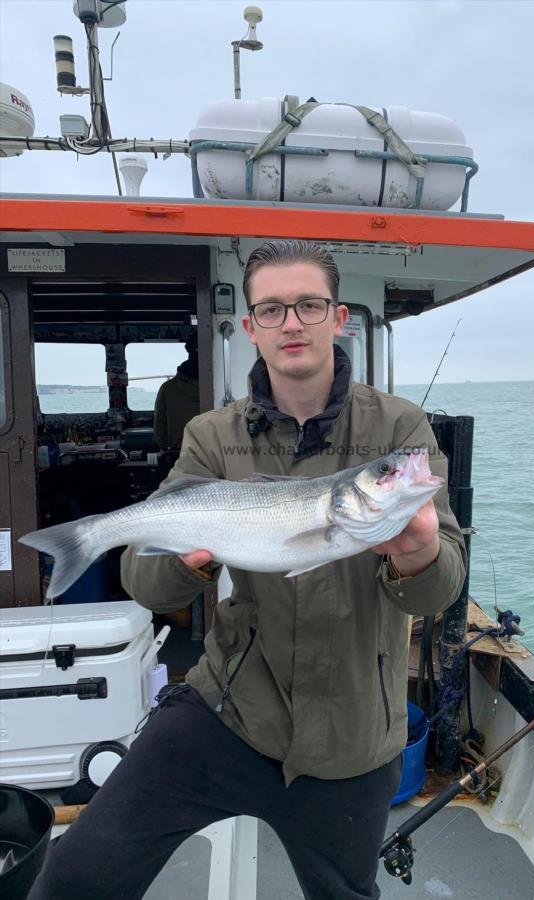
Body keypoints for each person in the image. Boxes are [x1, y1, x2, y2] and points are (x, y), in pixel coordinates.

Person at [28, 240, 467, 900]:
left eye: (308, 305)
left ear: (338, 317)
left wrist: (418, 553)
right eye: (272, 308)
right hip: (228, 708)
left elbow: (443, 586)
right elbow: (145, 583)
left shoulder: (397, 430)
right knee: (74, 876)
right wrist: (190, 563)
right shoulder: (212, 435)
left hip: (350, 735)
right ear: (253, 326)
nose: (291, 322)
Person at [153, 330, 200, 451]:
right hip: (212, 454)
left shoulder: (167, 388)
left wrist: (166, 449)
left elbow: (159, 428)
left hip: (178, 453)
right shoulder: (218, 389)